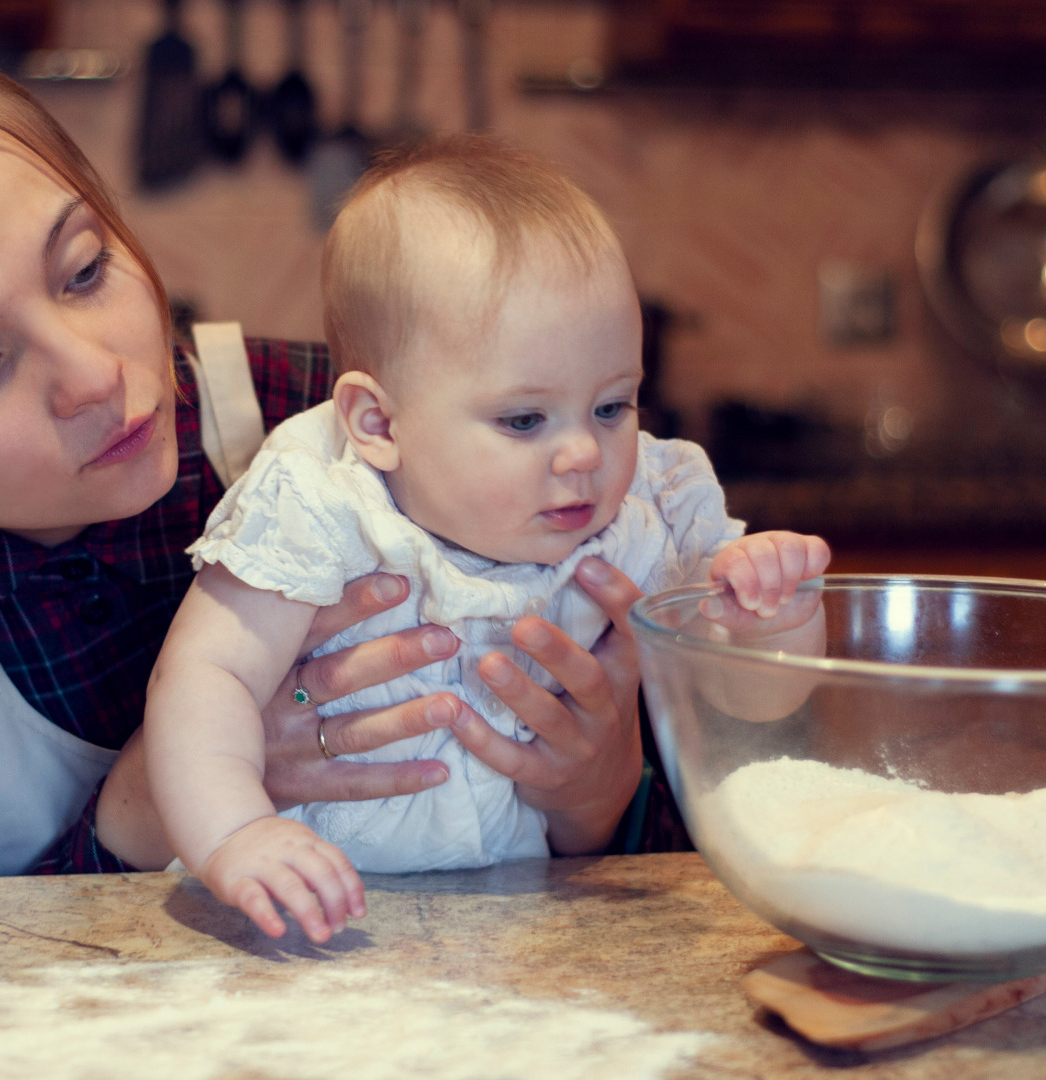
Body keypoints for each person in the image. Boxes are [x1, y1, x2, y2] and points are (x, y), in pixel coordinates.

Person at [0, 4, 648, 885]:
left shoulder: (344, 433)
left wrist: (601, 792)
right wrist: (142, 809)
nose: (96, 375)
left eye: (83, 270)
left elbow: (692, 886)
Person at [144, 137, 831, 942]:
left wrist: (767, 613)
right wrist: (236, 834)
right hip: (303, 916)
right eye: (524, 420)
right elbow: (203, 677)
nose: (584, 453)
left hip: (518, 930)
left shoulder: (648, 504)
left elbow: (757, 699)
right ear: (378, 424)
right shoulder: (321, 500)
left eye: (612, 406)